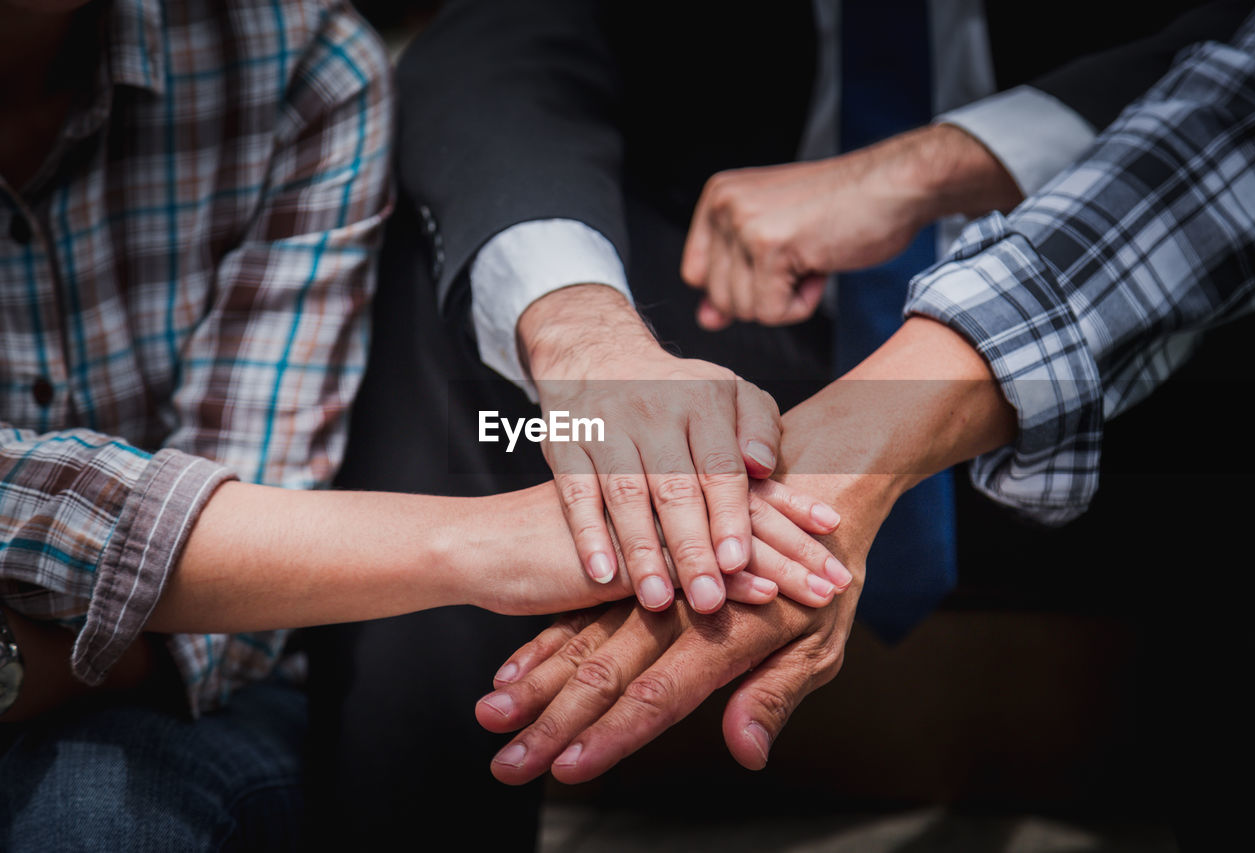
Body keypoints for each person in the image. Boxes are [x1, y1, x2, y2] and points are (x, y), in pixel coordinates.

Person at [315, 0, 1254, 847]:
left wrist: (943, 163)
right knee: (473, 325)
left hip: (1141, 348)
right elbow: (506, 33)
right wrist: (582, 330)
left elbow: (1251, 85)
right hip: (719, 316)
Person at [0, 0, 843, 848]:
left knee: (92, 813)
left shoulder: (292, 59)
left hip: (186, 695)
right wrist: (477, 544)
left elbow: (238, 599)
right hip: (187, 662)